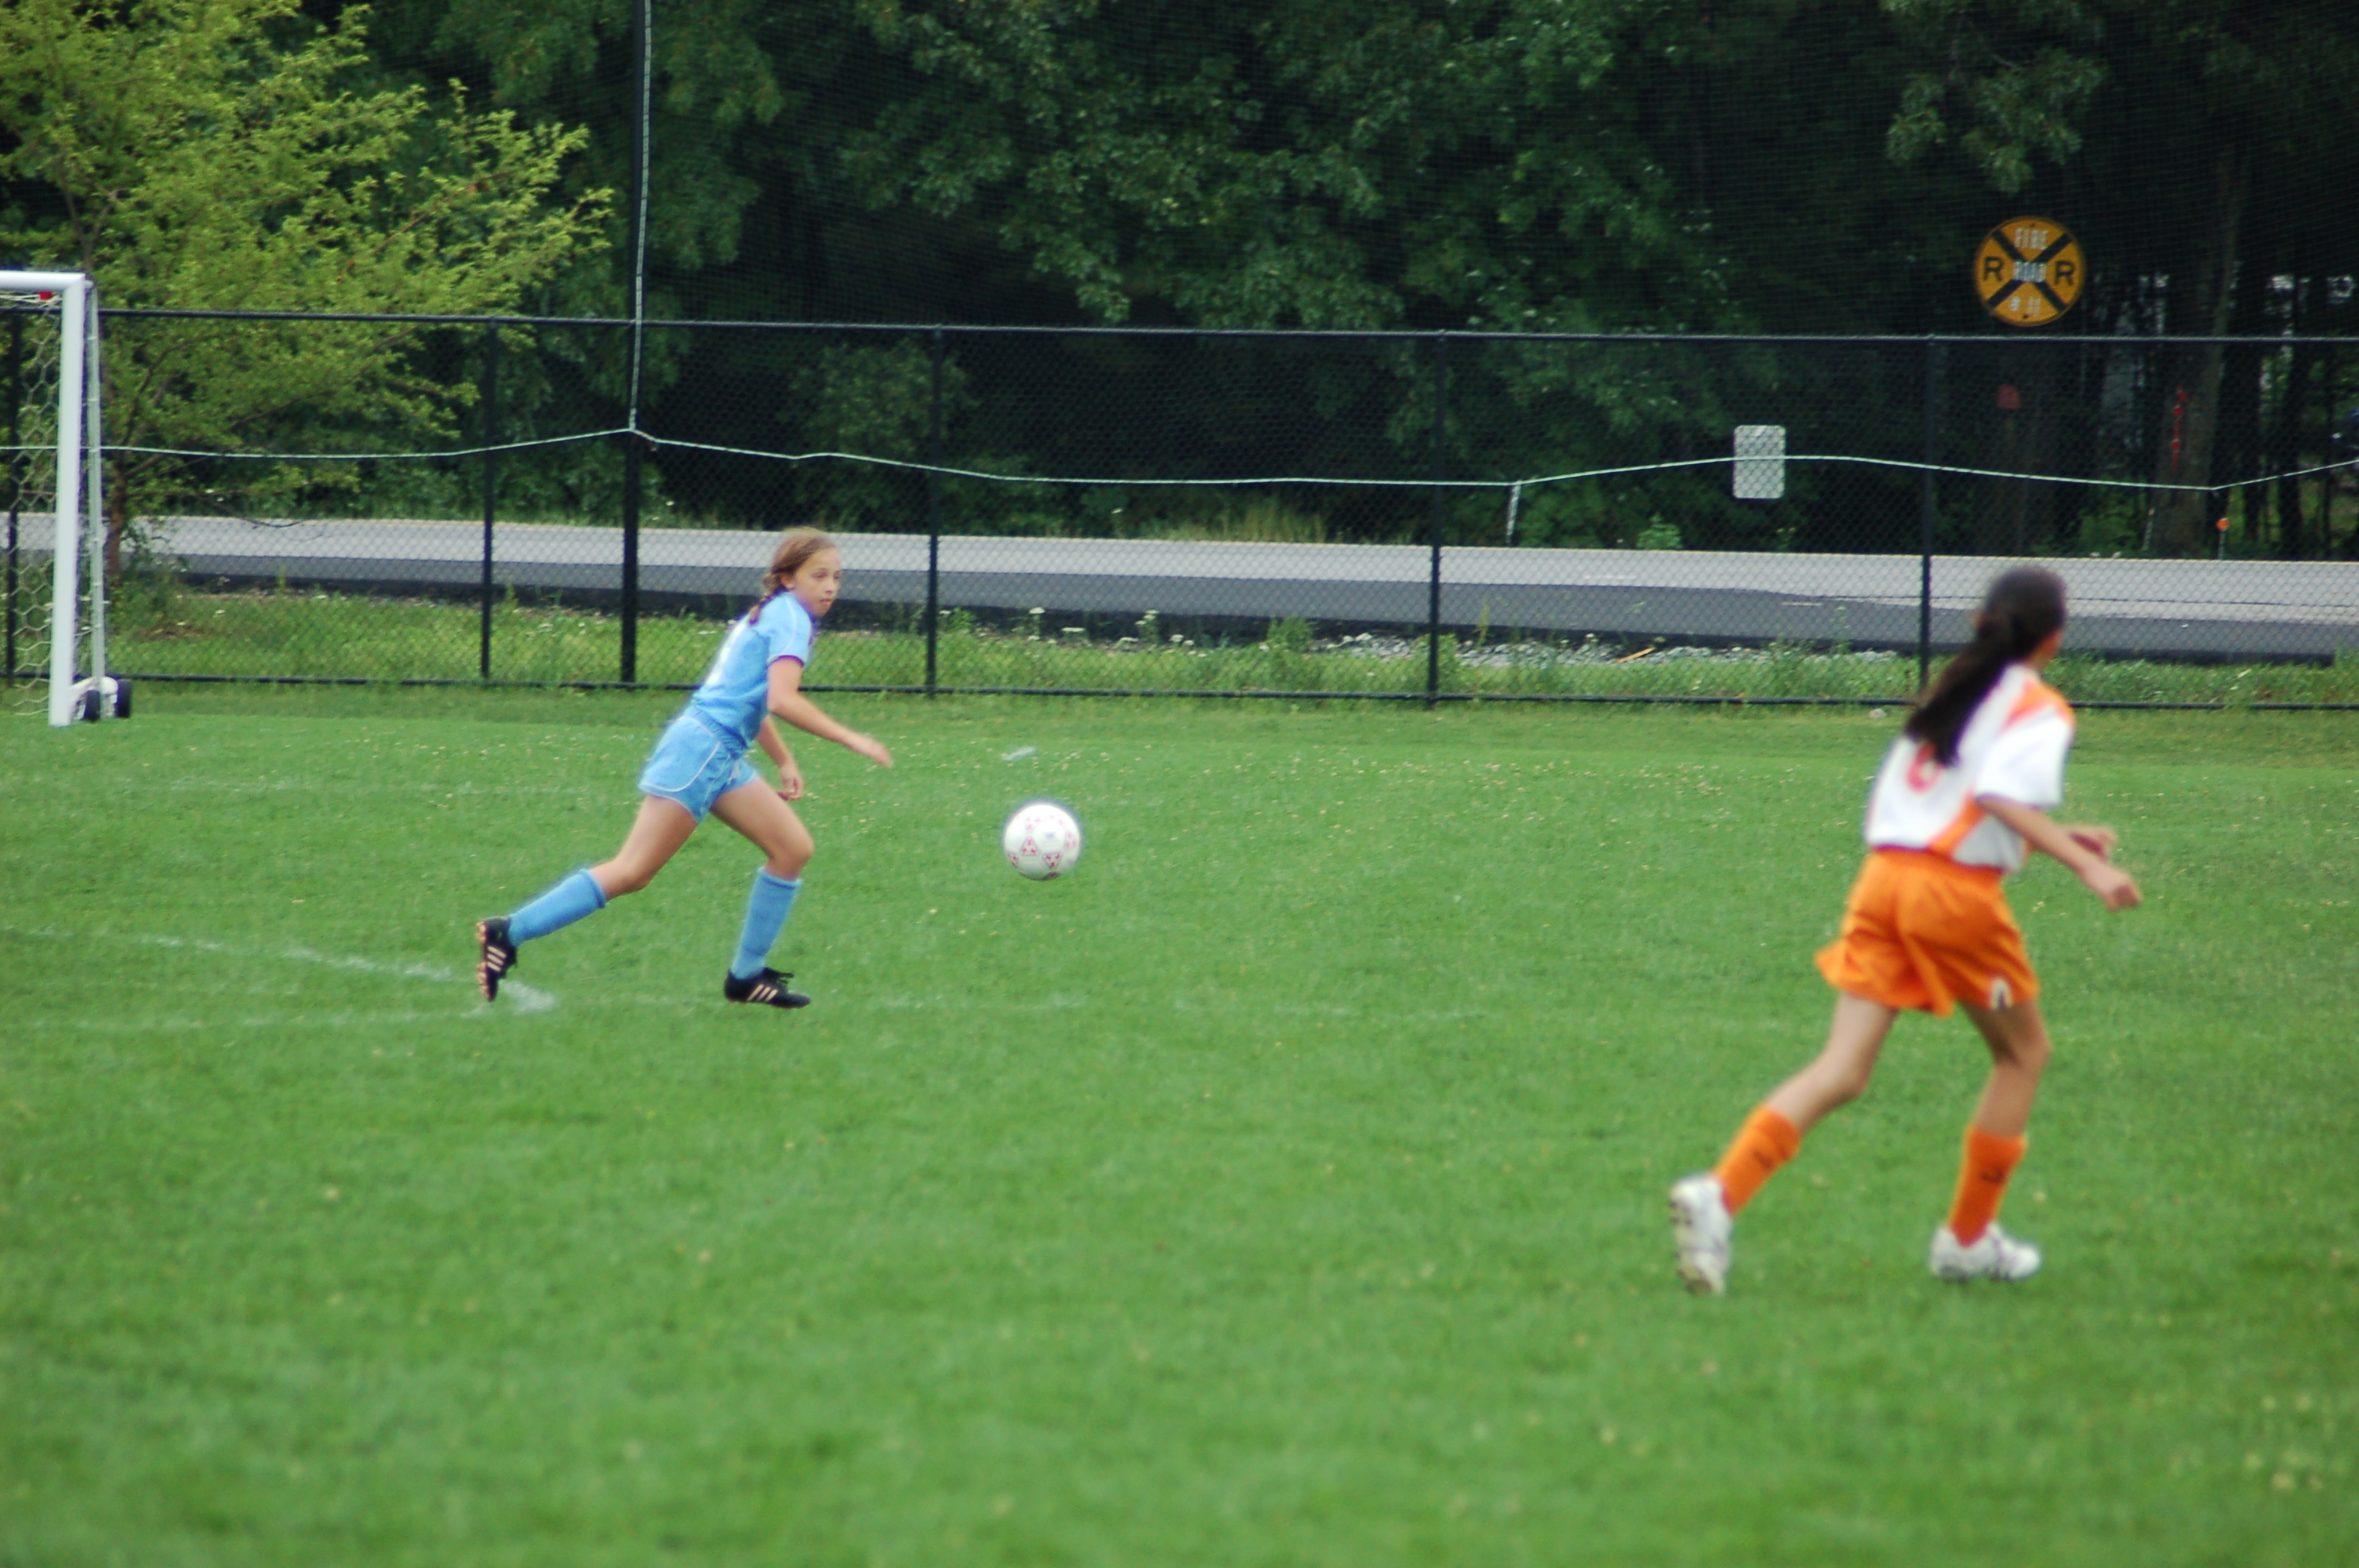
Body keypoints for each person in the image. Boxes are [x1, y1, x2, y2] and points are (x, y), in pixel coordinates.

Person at [1668, 566, 2139, 1295]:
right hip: (1947, 894)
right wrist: (2086, 864)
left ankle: (1718, 1196)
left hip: (1883, 882)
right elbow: (1997, 795)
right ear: (2054, 637)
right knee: (2024, 1054)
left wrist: (2055, 836)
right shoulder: (2036, 706)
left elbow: (1952, 805)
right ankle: (1968, 1241)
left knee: (1843, 1069)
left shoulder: (1951, 692)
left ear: (1982, 624)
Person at [474, 528, 893, 1008]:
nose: (831, 586)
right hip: (702, 753)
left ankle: (746, 978)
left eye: (837, 577)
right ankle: (509, 931)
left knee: (792, 849)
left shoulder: (775, 612)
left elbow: (746, 697)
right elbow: (781, 699)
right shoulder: (791, 618)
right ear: (787, 578)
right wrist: (852, 738)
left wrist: (783, 758)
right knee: (633, 871)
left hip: (716, 752)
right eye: (819, 575)